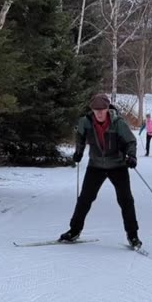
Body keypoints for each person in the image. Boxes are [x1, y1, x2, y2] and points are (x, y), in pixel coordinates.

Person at [60, 93, 142, 249]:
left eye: (102, 109)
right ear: (92, 110)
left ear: (107, 109)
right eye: (96, 109)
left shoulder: (118, 123)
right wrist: (78, 153)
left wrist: (131, 156)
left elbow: (131, 141)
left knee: (126, 200)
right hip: (95, 166)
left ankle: (133, 236)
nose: (99, 112)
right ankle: (74, 231)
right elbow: (80, 138)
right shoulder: (86, 122)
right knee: (84, 199)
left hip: (117, 165)